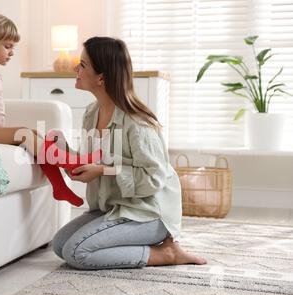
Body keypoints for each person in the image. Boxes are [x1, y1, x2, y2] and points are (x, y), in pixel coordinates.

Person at [52, 37, 207, 269]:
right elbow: (90, 162)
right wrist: (61, 148)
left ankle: (166, 254)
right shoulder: (92, 113)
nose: (76, 68)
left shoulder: (137, 123)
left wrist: (104, 170)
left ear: (102, 78)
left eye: (83, 65)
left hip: (149, 213)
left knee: (77, 252)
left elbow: (153, 179)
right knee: (60, 245)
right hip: (116, 207)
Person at [0, 12, 101, 207]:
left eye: (13, 47)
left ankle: (59, 187)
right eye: (7, 46)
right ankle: (69, 161)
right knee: (25, 133)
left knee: (36, 135)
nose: (11, 52)